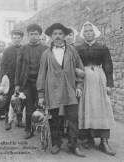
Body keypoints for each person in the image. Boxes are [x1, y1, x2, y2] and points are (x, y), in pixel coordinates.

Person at [37, 23, 85, 157]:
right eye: (55, 34)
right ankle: (56, 143)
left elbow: (80, 70)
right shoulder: (46, 54)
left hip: (70, 90)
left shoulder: (72, 51)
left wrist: (79, 86)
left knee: (73, 118)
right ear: (51, 37)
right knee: (54, 118)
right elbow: (41, 74)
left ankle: (73, 144)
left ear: (65, 36)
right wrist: (41, 94)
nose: (57, 36)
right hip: (52, 91)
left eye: (60, 34)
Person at [76, 21, 116, 156]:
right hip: (85, 80)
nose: (88, 33)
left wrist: (109, 84)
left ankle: (104, 141)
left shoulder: (103, 48)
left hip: (99, 79)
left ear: (95, 33)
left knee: (102, 108)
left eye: (90, 31)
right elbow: (76, 66)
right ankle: (88, 138)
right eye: (85, 31)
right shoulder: (78, 48)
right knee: (86, 107)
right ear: (83, 34)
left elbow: (108, 66)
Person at [15, 24, 48, 139]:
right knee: (29, 107)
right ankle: (28, 129)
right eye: (31, 34)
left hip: (41, 83)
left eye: (36, 34)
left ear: (40, 35)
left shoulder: (45, 48)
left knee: (41, 106)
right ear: (28, 35)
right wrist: (17, 84)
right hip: (27, 82)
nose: (34, 36)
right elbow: (18, 67)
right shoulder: (23, 48)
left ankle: (41, 127)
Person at [0, 30, 24, 130]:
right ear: (11, 38)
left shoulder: (24, 49)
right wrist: (1, 81)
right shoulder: (7, 50)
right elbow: (3, 66)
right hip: (9, 80)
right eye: (14, 37)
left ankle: (19, 120)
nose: (16, 39)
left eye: (18, 37)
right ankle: (7, 121)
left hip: (21, 80)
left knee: (20, 100)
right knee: (8, 100)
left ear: (21, 38)